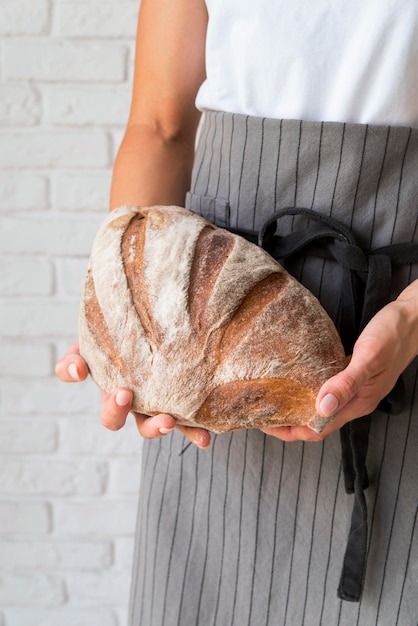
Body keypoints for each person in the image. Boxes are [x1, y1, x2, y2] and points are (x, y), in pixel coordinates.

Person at [56, 0, 418, 623]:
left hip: (400, 344)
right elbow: (160, 123)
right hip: (196, 356)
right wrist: (124, 302)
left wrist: (411, 319)